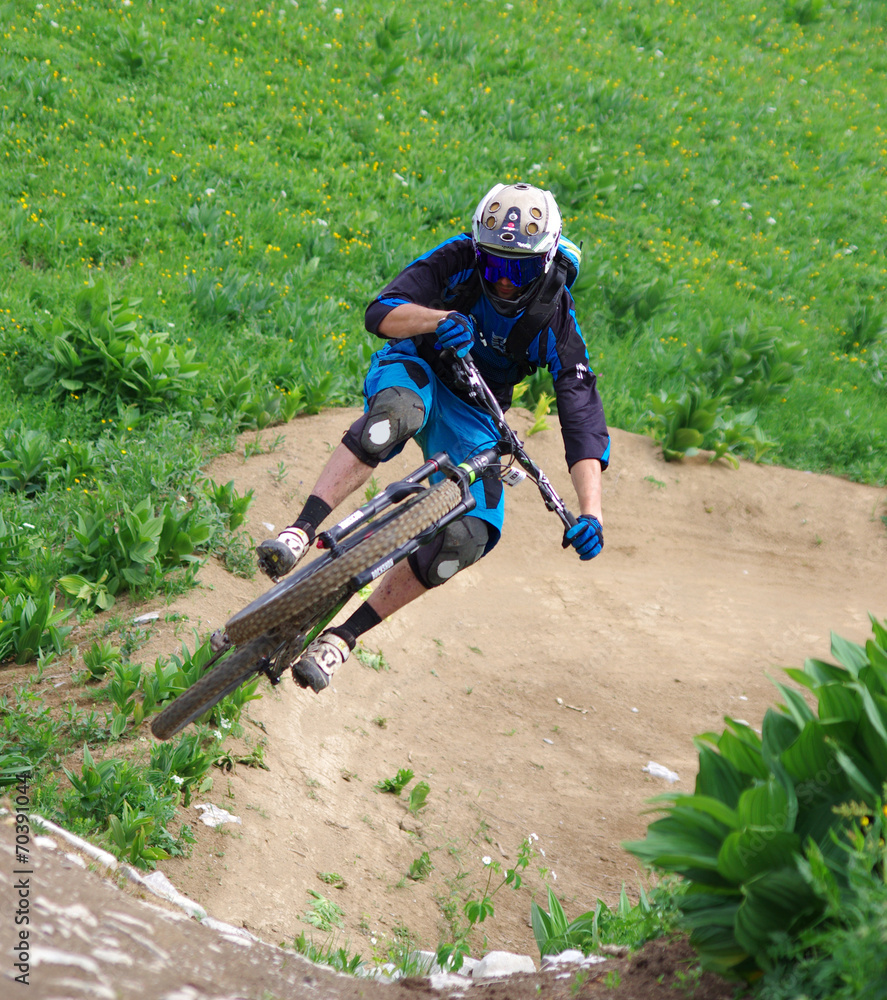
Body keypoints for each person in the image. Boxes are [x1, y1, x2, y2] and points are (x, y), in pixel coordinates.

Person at [255, 182, 611, 693]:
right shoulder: (459, 257)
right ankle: (300, 530)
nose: (506, 284)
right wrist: (439, 319)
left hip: (477, 411)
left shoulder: (555, 316)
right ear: (479, 250)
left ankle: (342, 639)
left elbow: (581, 414)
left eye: (521, 271)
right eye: (495, 267)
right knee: (391, 419)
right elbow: (380, 312)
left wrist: (590, 511)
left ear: (547, 260)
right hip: (418, 364)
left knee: (469, 537)